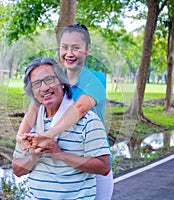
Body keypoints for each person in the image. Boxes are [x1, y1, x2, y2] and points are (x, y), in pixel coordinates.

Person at [16, 23, 114, 199]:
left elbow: (79, 109)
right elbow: (34, 108)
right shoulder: (54, 79)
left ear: (87, 49)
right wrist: (21, 137)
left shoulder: (96, 79)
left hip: (89, 161)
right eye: (65, 47)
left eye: (76, 48)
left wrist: (48, 135)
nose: (69, 53)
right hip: (58, 167)